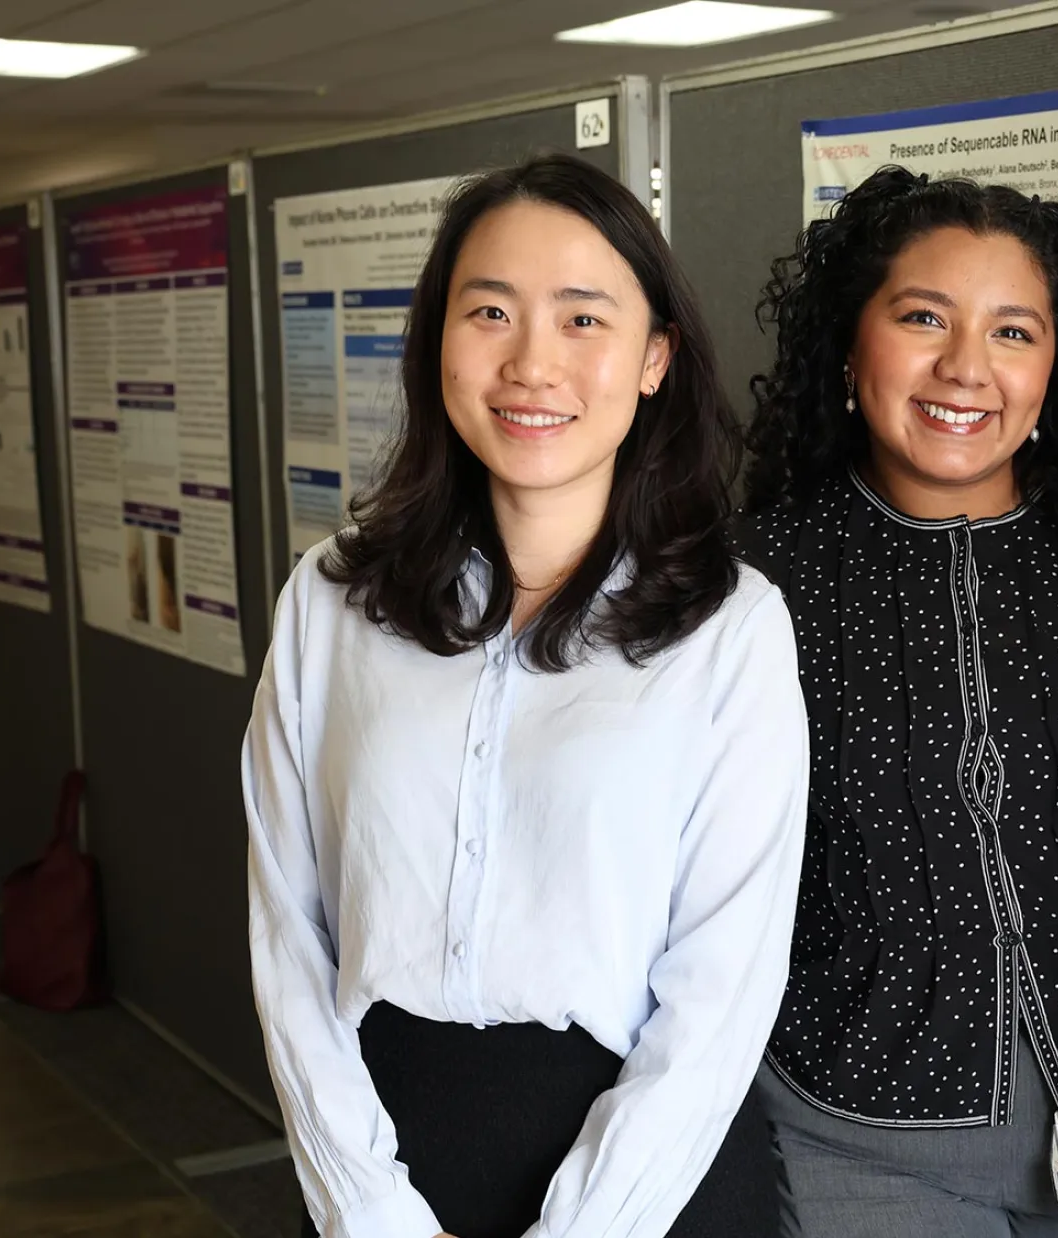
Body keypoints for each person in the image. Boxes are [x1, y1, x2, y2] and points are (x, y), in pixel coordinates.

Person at [244, 153, 808, 1238]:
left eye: (583, 320)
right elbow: (286, 927)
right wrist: (371, 1215)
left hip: (646, 1174)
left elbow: (723, 981)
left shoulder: (730, 627)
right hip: (376, 1156)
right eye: (489, 311)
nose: (531, 364)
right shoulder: (330, 602)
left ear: (654, 359)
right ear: (436, 341)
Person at [735, 166, 1058, 1237]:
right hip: (857, 1140)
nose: (964, 368)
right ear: (851, 343)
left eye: (1012, 332)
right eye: (923, 317)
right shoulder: (750, 585)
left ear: (1056, 363)